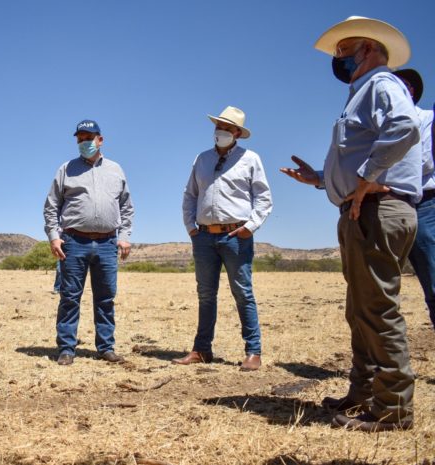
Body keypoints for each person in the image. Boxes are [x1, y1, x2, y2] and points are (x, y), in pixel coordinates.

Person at [281, 16, 422, 432]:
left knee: (376, 310)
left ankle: (393, 409)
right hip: (362, 209)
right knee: (360, 310)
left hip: (377, 209)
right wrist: (321, 179)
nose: (339, 58)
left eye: (345, 50)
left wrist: (365, 178)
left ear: (370, 49)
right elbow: (359, 152)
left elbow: (405, 127)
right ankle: (362, 393)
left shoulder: (382, 84)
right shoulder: (362, 93)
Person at [176, 106, 272, 371]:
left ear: (237, 133)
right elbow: (190, 194)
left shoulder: (250, 159)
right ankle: (202, 349)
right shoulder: (202, 159)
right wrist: (191, 227)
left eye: (227, 128)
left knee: (242, 292)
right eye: (218, 126)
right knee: (206, 294)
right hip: (204, 237)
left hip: (236, 236)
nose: (220, 131)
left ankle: (253, 351)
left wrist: (250, 227)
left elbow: (263, 198)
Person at [43, 119, 134, 366]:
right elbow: (51, 206)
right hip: (73, 242)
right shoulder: (66, 169)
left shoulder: (116, 169)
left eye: (89, 138)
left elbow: (126, 206)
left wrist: (124, 236)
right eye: (80, 138)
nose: (84, 142)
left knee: (105, 298)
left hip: (107, 243)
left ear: (100, 140)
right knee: (70, 297)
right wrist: (54, 236)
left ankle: (106, 347)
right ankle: (66, 348)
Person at [393, 68, 435, 329]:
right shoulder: (383, 126)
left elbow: (423, 162)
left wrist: (375, 176)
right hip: (389, 205)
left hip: (425, 205)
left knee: (433, 282)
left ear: (410, 90)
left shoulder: (428, 119)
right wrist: (322, 178)